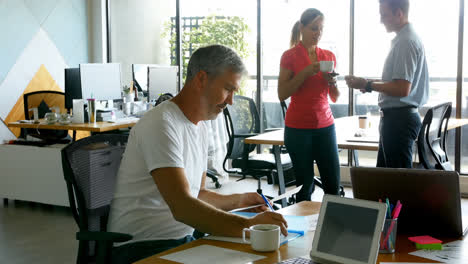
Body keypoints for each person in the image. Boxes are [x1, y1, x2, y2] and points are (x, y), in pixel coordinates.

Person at [108, 45, 288, 264]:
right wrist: (249, 225)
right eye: (228, 89)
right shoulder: (161, 123)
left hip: (182, 239)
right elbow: (183, 206)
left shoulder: (200, 126)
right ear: (202, 78)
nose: (231, 100)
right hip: (140, 248)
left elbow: (199, 194)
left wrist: (243, 200)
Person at [345, 0, 428, 168]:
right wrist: (368, 83)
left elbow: (402, 88)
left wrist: (368, 85)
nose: (381, 20)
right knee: (385, 180)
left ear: (399, 14)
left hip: (399, 121)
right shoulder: (404, 39)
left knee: (396, 183)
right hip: (397, 119)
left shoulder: (406, 41)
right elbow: (396, 82)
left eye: (384, 15)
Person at [278, 8, 341, 202]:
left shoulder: (328, 56)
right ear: (302, 27)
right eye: (314, 28)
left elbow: (335, 97)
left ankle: (333, 229)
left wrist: (333, 82)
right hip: (298, 129)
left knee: (333, 185)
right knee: (304, 188)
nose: (318, 33)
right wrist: (306, 72)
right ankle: (303, 229)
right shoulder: (289, 56)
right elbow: (282, 93)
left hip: (325, 126)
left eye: (321, 29)